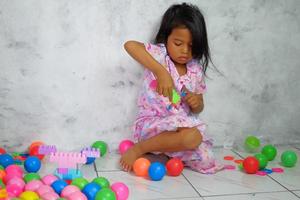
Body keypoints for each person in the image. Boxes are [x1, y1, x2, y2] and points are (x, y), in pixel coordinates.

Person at [120, 2, 223, 174]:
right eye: (178, 43)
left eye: (191, 46)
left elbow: (199, 105)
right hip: (152, 125)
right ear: (166, 37)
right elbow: (130, 46)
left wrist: (196, 102)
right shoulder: (160, 56)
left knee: (205, 156)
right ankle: (140, 149)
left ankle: (163, 155)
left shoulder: (195, 69)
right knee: (192, 135)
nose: (184, 50)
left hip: (179, 130)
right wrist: (161, 72)